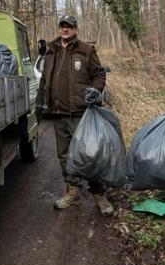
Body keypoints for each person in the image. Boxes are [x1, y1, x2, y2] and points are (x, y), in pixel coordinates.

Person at [37, 15, 113, 216]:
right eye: (62, 25)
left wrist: (96, 90)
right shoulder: (51, 50)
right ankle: (73, 192)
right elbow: (45, 79)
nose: (65, 29)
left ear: (75, 29)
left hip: (81, 113)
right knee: (64, 155)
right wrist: (39, 103)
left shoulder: (86, 50)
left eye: (69, 26)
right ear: (59, 28)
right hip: (57, 113)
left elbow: (99, 74)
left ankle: (99, 195)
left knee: (89, 155)